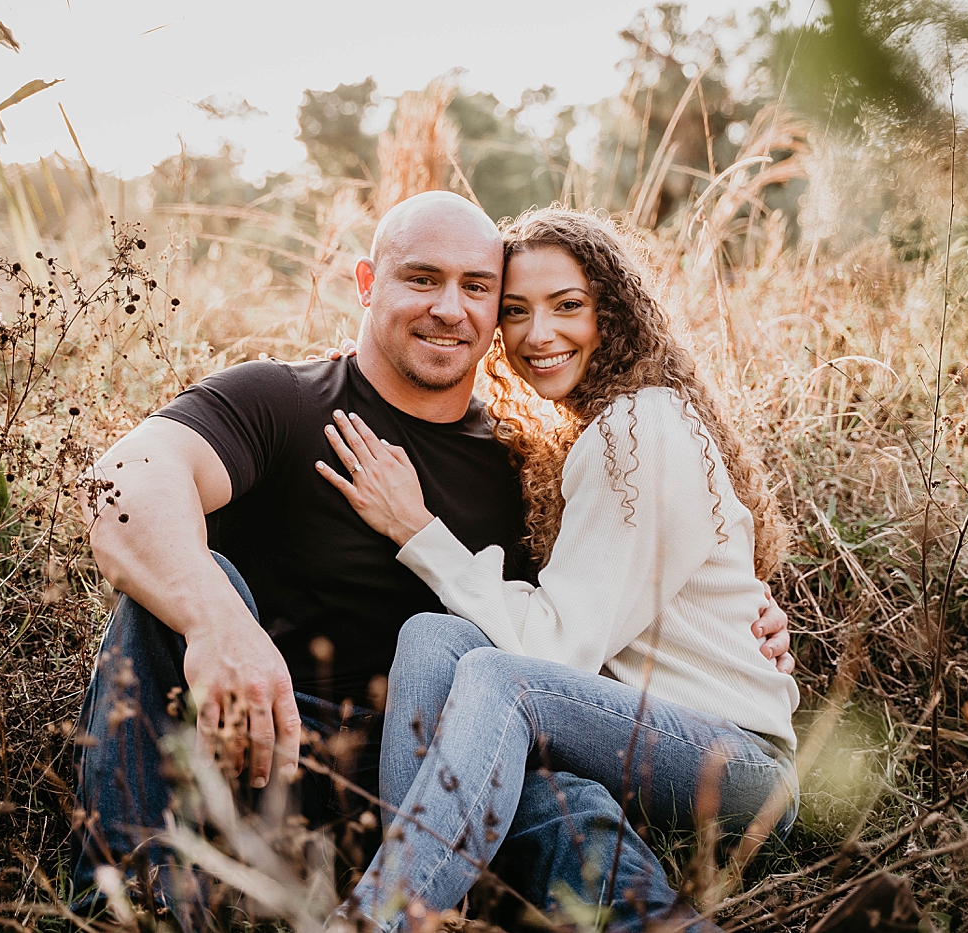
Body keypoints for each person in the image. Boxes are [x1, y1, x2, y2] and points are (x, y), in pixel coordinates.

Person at [72, 191, 794, 926]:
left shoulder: (529, 467)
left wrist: (743, 609)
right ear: (367, 283)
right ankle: (133, 899)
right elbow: (122, 482)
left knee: (559, 791)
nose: (452, 308)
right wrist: (217, 624)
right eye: (422, 279)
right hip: (266, 744)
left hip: (441, 773)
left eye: (479, 288)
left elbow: (582, 621)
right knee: (186, 585)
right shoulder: (283, 400)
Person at [317, 207, 800, 933]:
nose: (538, 334)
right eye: (516, 311)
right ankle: (430, 885)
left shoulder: (640, 427)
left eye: (567, 305)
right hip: (639, 738)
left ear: (614, 308)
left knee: (497, 678)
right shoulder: (601, 430)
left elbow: (552, 653)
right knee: (431, 636)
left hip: (736, 763)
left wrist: (418, 529)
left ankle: (382, 917)